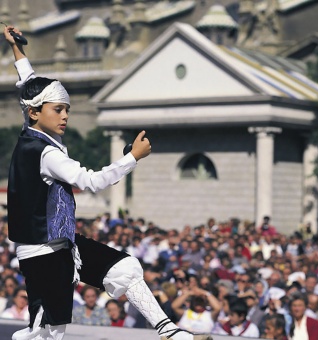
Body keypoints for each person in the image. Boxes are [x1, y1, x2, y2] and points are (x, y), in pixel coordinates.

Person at [3, 26, 195, 340]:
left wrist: (17, 49)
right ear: (35, 112)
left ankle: (169, 331)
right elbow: (91, 181)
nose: (65, 116)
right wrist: (132, 157)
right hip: (42, 252)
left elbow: (28, 84)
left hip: (63, 243)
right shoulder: (46, 153)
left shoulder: (32, 128)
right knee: (47, 333)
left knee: (124, 269)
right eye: (59, 110)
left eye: (67, 109)